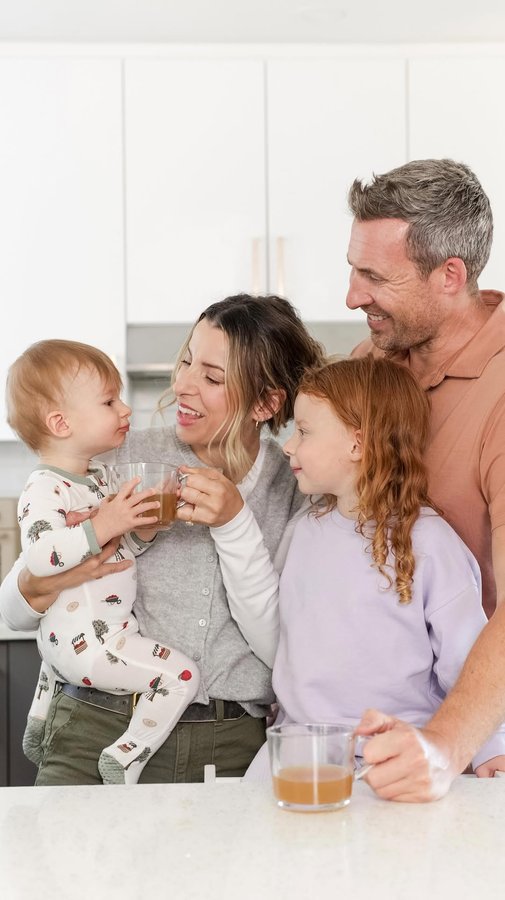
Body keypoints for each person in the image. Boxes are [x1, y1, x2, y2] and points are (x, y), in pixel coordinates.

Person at [0, 294, 324, 785]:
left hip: (230, 746)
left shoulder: (297, 486)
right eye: (187, 362)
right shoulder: (116, 455)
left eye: (212, 377)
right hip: (94, 729)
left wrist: (235, 522)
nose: (182, 385)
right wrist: (35, 584)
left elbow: (288, 648)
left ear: (266, 403)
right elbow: (15, 607)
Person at [244, 355, 505, 782]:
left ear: (357, 444)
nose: (288, 445)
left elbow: (466, 657)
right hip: (297, 754)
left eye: (304, 431)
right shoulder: (303, 531)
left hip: (395, 759)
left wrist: (492, 747)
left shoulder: (430, 543)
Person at [345, 158, 505, 800]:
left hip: (480, 739)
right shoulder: (372, 362)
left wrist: (445, 745)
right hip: (380, 732)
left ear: (450, 276)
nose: (352, 297)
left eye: (375, 277)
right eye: (353, 269)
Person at [6, 339, 200, 784]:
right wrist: (103, 524)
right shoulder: (44, 487)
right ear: (61, 423)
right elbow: (40, 556)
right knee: (182, 676)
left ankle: (38, 724)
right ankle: (125, 756)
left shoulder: (96, 478)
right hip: (94, 646)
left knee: (57, 658)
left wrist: (141, 530)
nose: (125, 409)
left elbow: (115, 552)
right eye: (109, 401)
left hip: (63, 646)